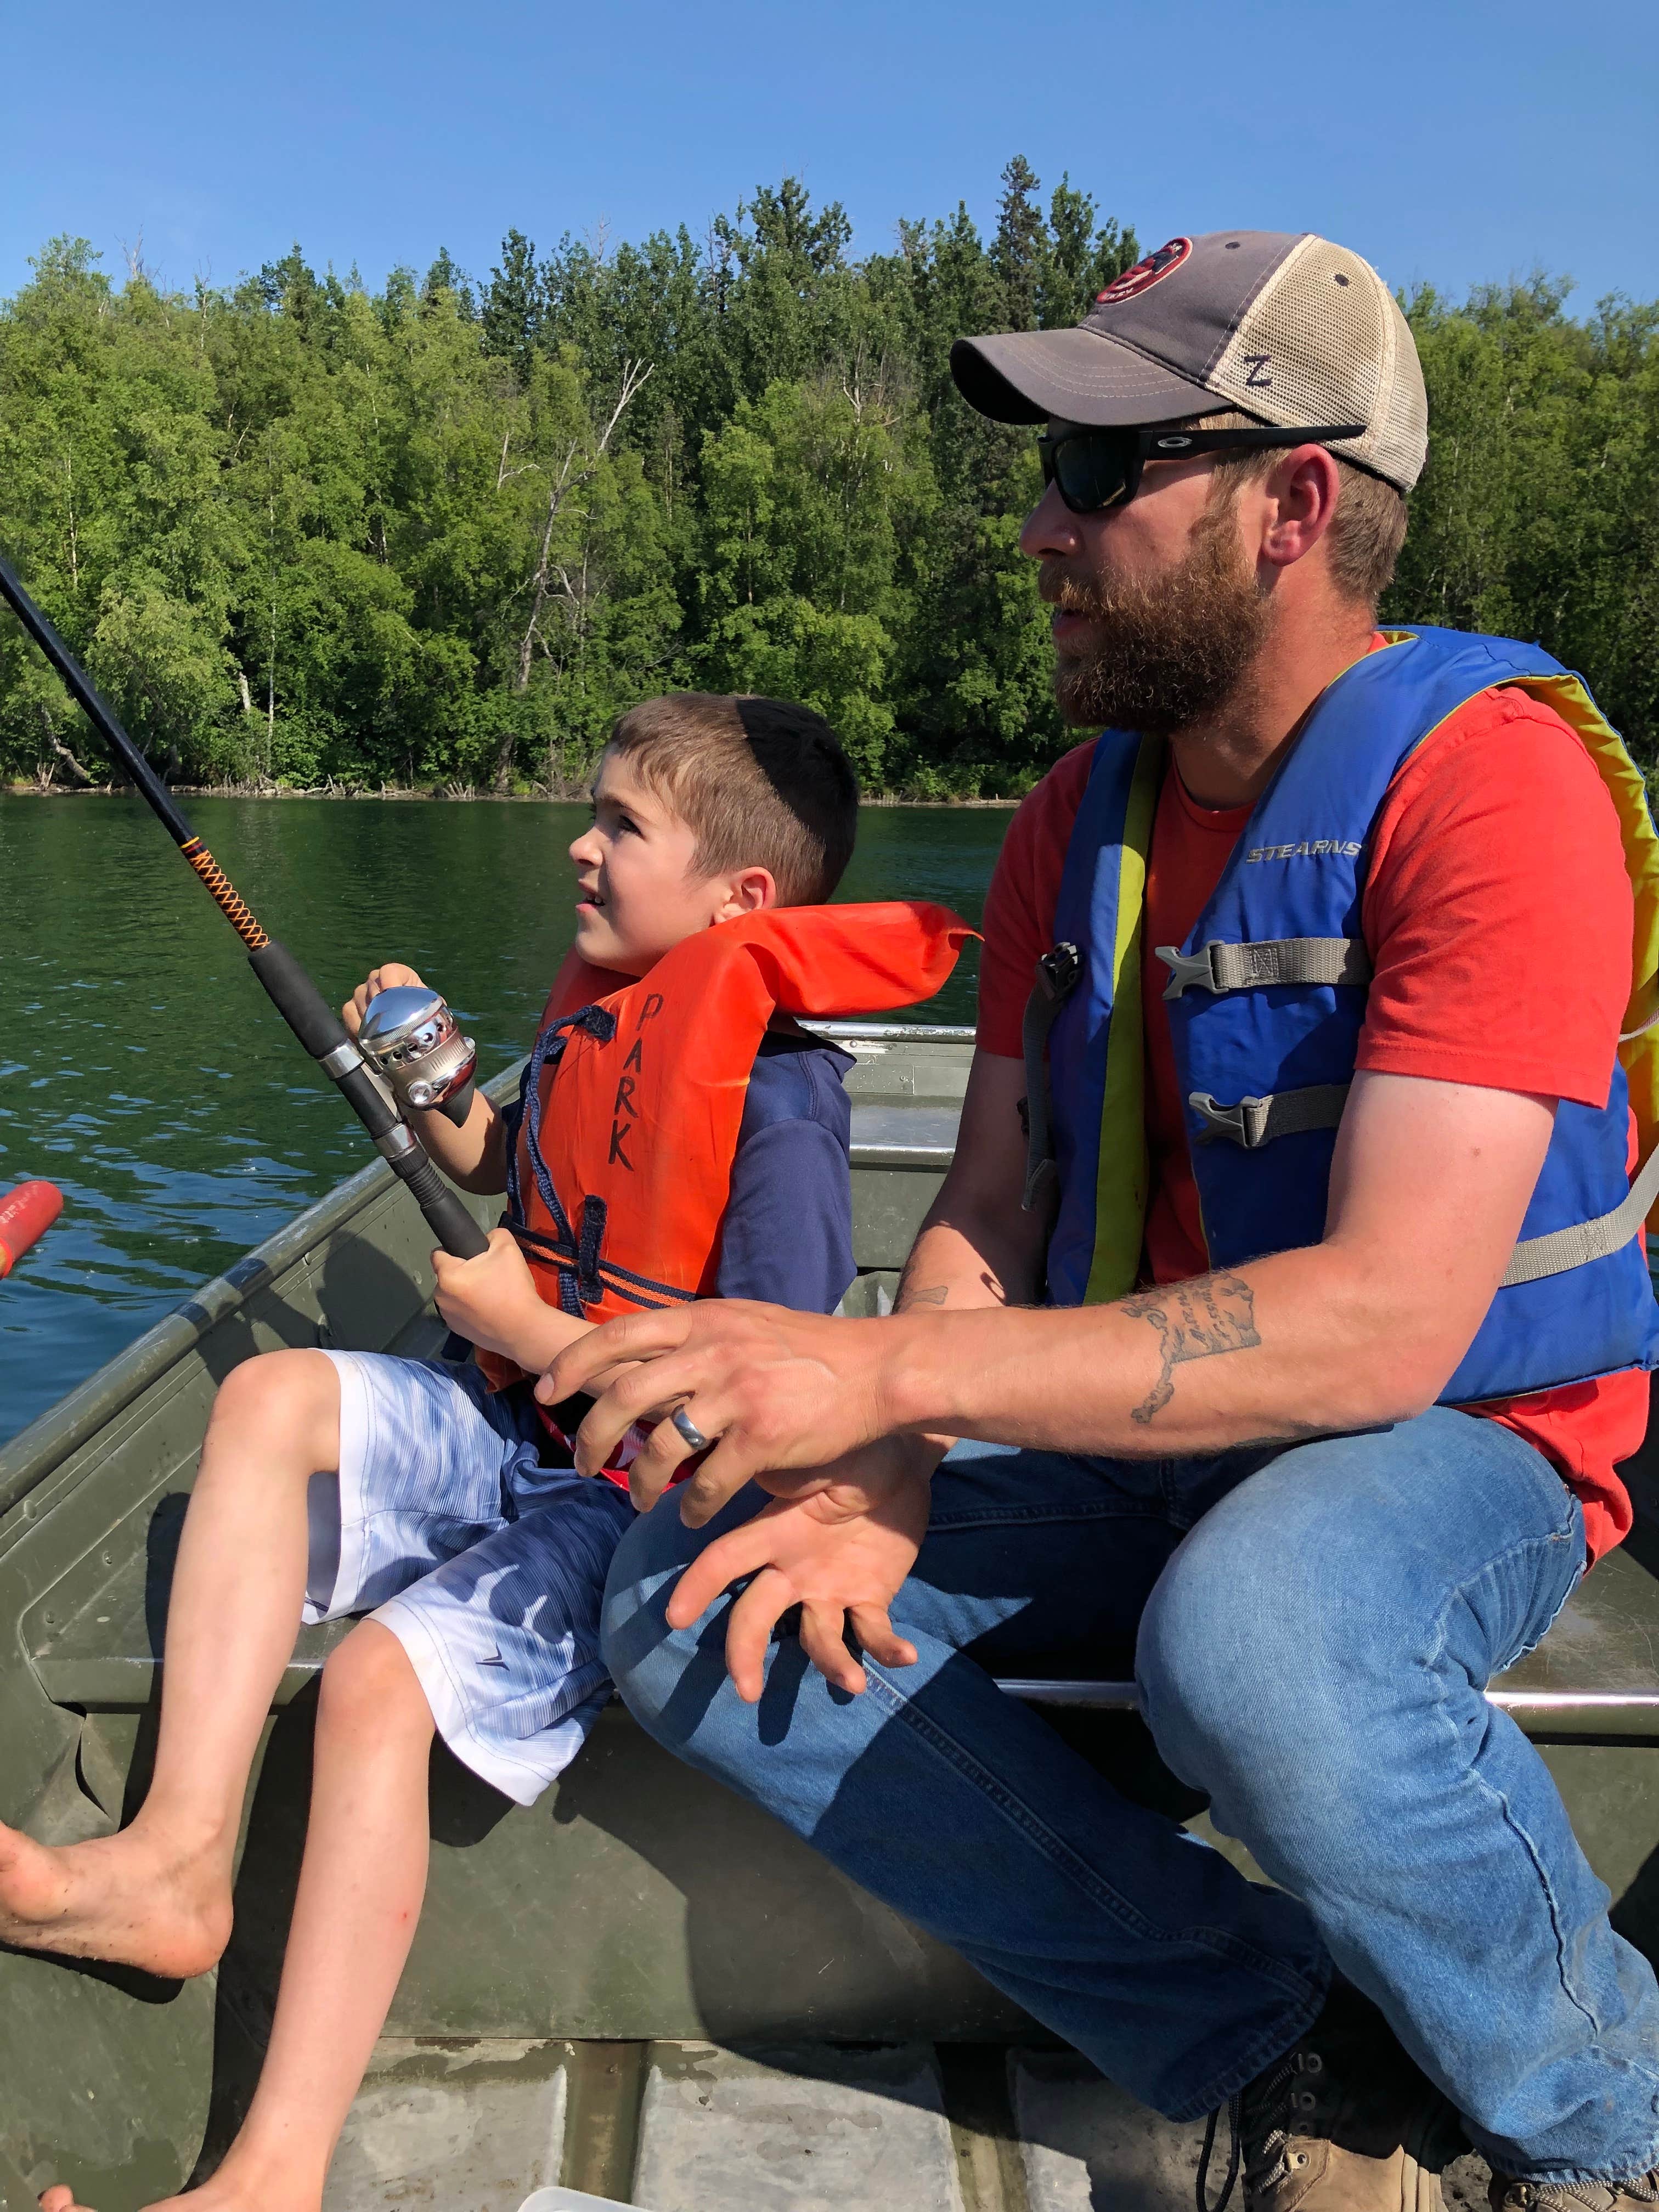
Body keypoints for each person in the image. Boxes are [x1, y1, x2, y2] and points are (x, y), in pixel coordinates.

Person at [550, 233, 1659, 2212]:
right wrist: (879, 1453)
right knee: (686, 1591)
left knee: (1250, 1641)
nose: (1038, 531)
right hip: (1146, 1442)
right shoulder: (1081, 818)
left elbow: (1390, 1325)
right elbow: (986, 1196)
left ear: (1291, 504)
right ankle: (1272, 2041)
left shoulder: (1492, 793)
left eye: (1096, 473)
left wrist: (879, 1363)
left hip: (1453, 1444)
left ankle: (1605, 2127)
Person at [2, 691, 967, 2212]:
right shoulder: (614, 1014)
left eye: (619, 827)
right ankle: (179, 1861)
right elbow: (529, 1169)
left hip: (630, 1497)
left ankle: (272, 2175)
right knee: (266, 1403)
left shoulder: (781, 1099)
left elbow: (766, 1402)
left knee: (380, 1678)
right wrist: (447, 1087)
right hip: (513, 1420)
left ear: (745, 899)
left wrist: (526, 1335)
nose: (579, 846)